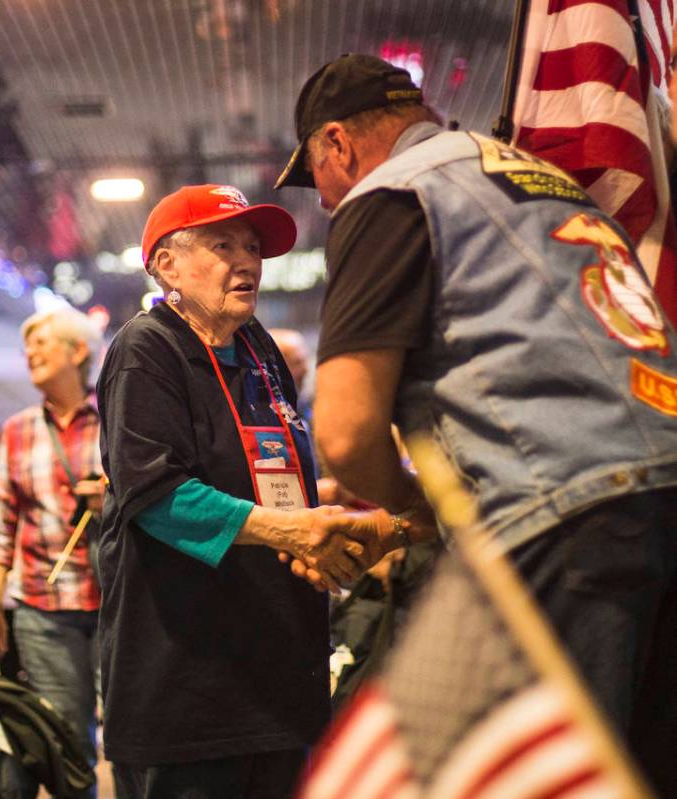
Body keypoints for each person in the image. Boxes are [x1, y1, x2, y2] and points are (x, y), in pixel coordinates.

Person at [276, 52, 677, 793]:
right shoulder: (549, 184)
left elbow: (345, 430)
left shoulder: (391, 191)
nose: (327, 201)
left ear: (337, 144)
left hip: (560, 512)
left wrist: (405, 504)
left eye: (317, 177)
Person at [97, 184, 389, 799]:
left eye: (252, 247)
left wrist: (318, 533)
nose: (247, 261)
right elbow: (157, 495)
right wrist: (292, 530)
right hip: (189, 685)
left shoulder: (260, 351)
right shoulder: (146, 349)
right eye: (222, 244)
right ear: (165, 265)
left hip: (280, 673)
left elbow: (283, 480)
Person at [0, 306, 106, 797]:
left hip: (118, 603)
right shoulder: (17, 429)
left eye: (42, 342)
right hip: (43, 608)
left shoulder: (118, 418)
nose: (29, 352)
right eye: (26, 345)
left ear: (78, 352)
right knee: (66, 739)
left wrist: (112, 496)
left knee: (129, 730)